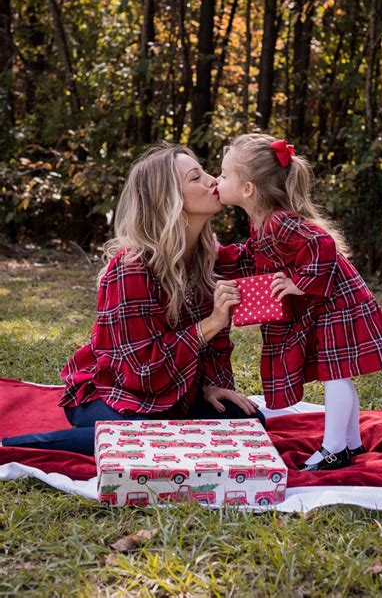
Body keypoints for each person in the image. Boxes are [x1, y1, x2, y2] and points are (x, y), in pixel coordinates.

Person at [3, 142, 262, 456]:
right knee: (141, 437)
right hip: (116, 395)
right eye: (196, 177)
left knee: (248, 423)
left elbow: (267, 255)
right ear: (168, 200)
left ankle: (165, 433)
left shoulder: (208, 258)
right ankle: (17, 447)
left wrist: (211, 386)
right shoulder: (132, 269)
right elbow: (142, 373)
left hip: (174, 394)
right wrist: (208, 326)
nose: (212, 181)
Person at [215, 133, 382, 471]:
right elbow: (249, 257)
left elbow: (321, 244)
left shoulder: (279, 220)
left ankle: (333, 449)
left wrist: (300, 284)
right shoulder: (263, 222)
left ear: (247, 190)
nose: (218, 180)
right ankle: (351, 443)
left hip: (336, 302)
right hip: (329, 300)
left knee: (336, 374)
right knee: (338, 375)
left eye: (225, 174)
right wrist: (214, 255)